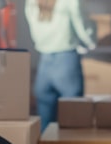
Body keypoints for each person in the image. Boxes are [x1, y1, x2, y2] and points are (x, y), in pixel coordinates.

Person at [25, 0, 97, 131]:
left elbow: (32, 27)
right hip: (67, 61)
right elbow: (83, 26)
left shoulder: (31, 1)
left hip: (44, 63)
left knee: (45, 127)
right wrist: (91, 41)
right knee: (73, 122)